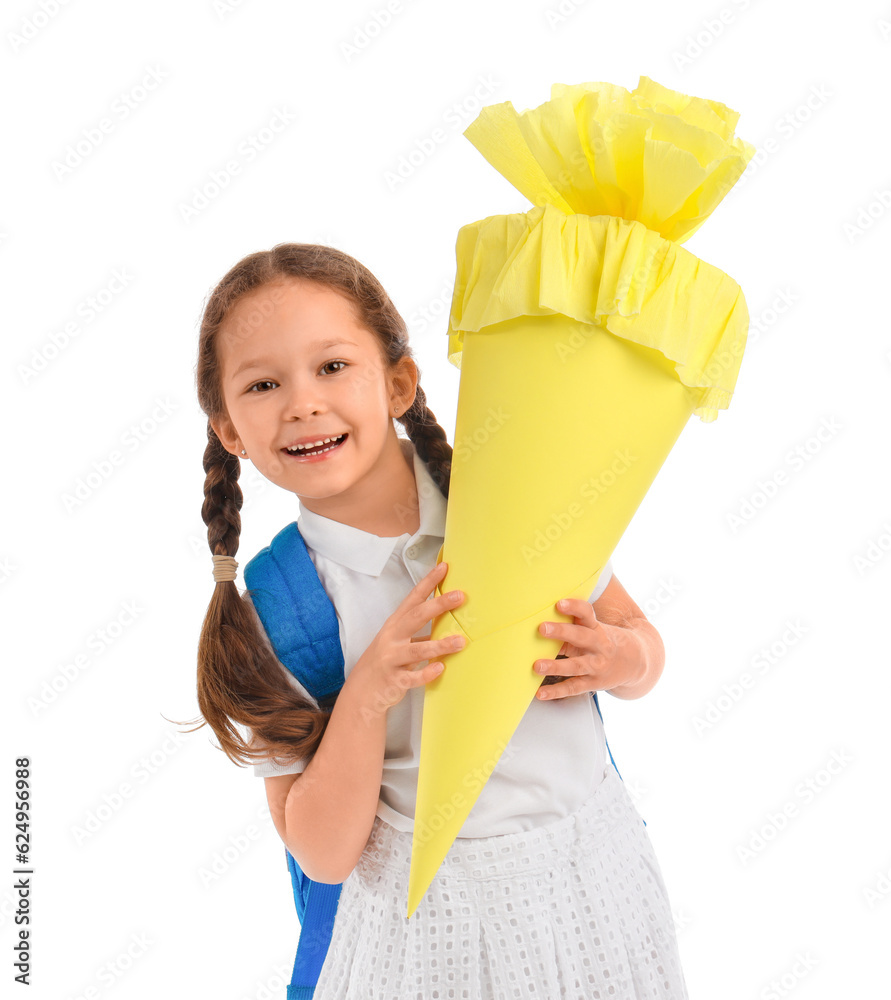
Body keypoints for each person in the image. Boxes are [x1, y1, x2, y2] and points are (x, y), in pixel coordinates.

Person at [189, 242, 690, 998]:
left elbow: (644, 649)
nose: (301, 403)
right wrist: (365, 695)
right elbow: (322, 855)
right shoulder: (277, 613)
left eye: (331, 366)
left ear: (397, 383)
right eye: (263, 384)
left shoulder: (516, 503)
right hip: (423, 938)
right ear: (230, 431)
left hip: (592, 892)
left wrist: (619, 658)